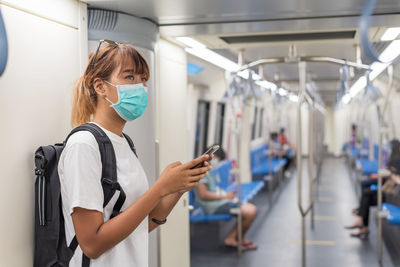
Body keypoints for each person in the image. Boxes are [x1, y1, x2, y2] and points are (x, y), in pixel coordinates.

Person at [59, 40, 212, 267]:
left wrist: (177, 188)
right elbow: (92, 244)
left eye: (143, 80)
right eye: (130, 77)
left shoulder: (124, 143)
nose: (139, 87)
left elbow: (142, 223)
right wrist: (160, 188)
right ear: (100, 87)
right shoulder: (84, 145)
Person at [194, 146, 258, 251]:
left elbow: (211, 190)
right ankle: (231, 238)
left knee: (251, 209)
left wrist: (225, 196)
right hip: (212, 207)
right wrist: (225, 196)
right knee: (250, 211)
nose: (217, 162)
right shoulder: (201, 171)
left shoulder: (207, 169)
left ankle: (239, 238)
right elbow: (203, 195)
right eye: (218, 160)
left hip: (218, 202)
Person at [345, 140, 400, 238]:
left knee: (367, 195)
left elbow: (391, 175)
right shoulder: (393, 160)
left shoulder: (397, 162)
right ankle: (362, 222)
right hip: (388, 190)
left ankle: (362, 224)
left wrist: (390, 175)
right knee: (366, 194)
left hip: (391, 194)